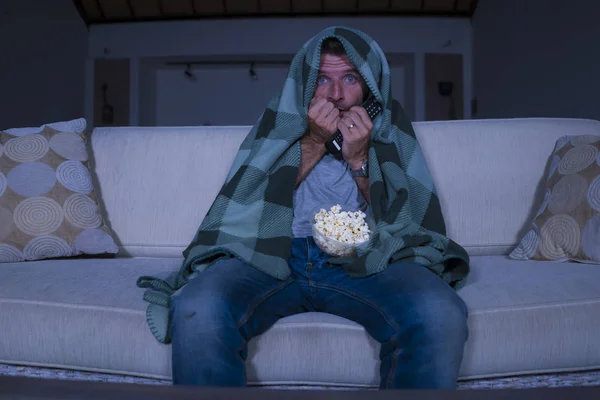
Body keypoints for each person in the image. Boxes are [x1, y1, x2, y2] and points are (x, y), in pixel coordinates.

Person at [137, 26, 470, 390]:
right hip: (273, 254)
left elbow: (402, 224)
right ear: (306, 82)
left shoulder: (389, 127)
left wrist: (359, 158)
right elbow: (247, 203)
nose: (337, 95)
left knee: (440, 313)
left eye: (350, 78)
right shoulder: (280, 119)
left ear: (371, 86)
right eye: (322, 79)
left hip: (361, 257)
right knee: (198, 308)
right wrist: (313, 140)